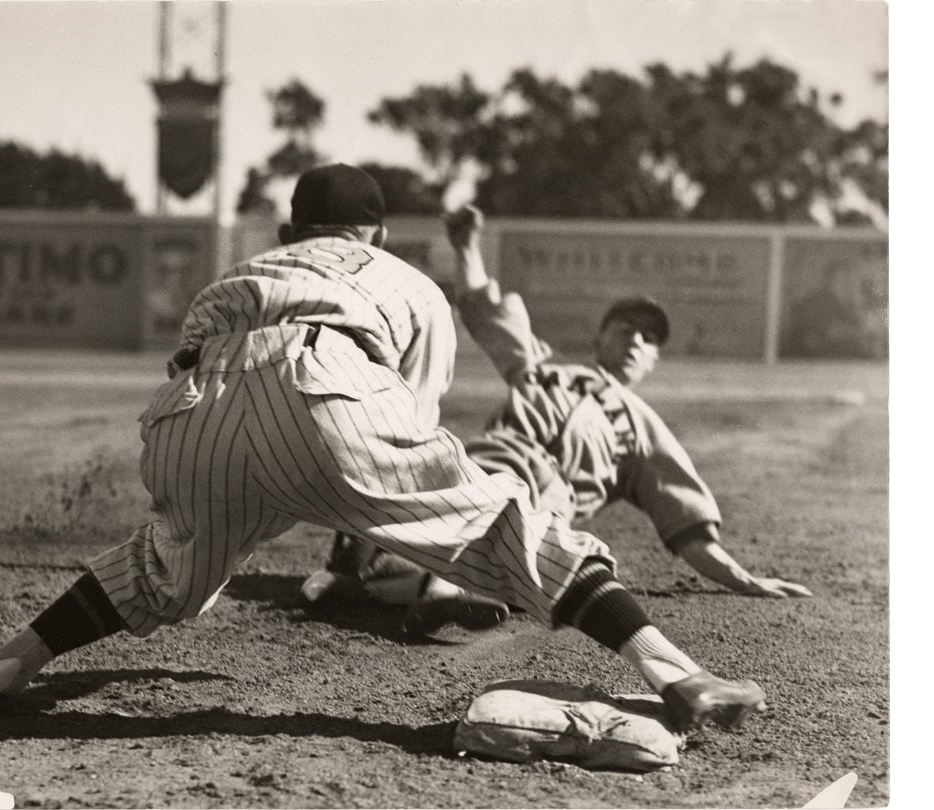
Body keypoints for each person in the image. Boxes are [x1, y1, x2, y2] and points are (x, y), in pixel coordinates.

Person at [0, 166, 766, 733]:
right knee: (505, 527)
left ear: (292, 226)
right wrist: (354, 512)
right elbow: (408, 417)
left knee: (163, 562)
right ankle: (675, 676)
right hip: (334, 384)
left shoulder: (245, 267)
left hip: (189, 412)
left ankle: (5, 666)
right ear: (376, 230)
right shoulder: (403, 279)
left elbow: (188, 368)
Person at [302, 205, 811, 634]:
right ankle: (388, 577)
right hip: (484, 459)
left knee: (499, 542)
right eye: (626, 329)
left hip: (545, 496)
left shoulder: (643, 428)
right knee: (405, 478)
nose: (636, 341)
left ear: (654, 361)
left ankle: (415, 585)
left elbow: (688, 524)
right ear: (600, 338)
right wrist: (465, 246)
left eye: (649, 339)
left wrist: (742, 578)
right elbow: (487, 311)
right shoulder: (543, 368)